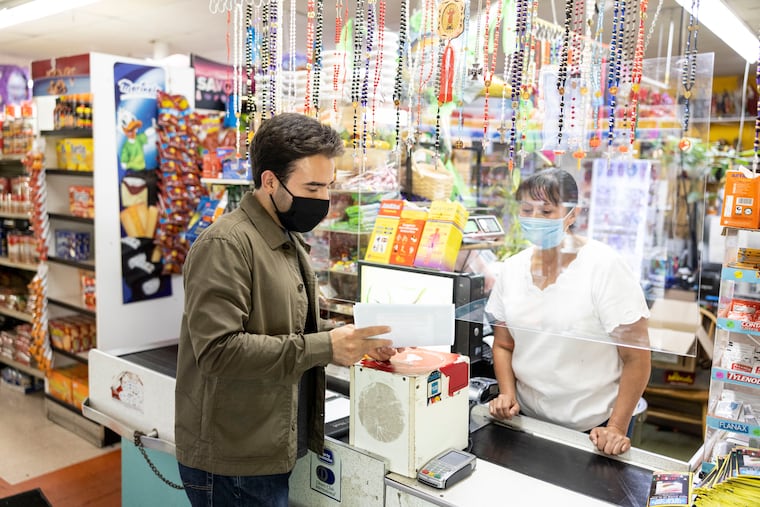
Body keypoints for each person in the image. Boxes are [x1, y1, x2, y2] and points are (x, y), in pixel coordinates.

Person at [175, 112, 395, 506]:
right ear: (270, 181)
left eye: (328, 186)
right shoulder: (226, 245)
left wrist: (355, 341)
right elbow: (218, 351)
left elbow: (286, 321)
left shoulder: (285, 237)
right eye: (311, 186)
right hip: (233, 460)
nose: (323, 199)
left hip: (267, 444)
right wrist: (326, 347)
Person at [485, 167, 651, 456]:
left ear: (572, 214)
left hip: (593, 428)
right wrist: (507, 394)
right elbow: (503, 344)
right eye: (527, 209)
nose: (534, 219)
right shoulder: (511, 270)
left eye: (546, 211)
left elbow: (636, 357)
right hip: (526, 421)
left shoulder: (604, 267)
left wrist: (616, 427)